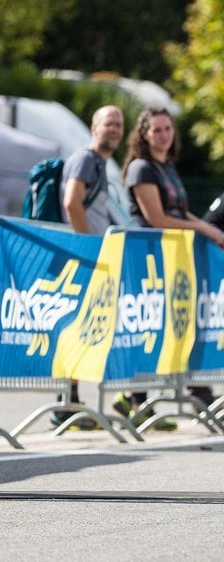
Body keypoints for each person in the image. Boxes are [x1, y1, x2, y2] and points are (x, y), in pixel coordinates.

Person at [120, 106, 224, 429]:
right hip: (148, 257)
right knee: (147, 326)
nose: (163, 135)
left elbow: (180, 213)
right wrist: (203, 230)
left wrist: (209, 229)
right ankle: (136, 399)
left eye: (167, 129)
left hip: (173, 257)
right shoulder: (141, 168)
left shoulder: (166, 166)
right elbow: (157, 219)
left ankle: (194, 389)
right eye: (156, 130)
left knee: (177, 324)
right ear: (144, 134)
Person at [52, 104, 125, 429]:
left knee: (82, 330)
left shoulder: (100, 164)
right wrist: (89, 248)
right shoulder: (85, 159)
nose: (114, 129)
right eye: (108, 123)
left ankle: (71, 401)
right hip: (84, 258)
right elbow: (71, 202)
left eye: (119, 125)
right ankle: (65, 402)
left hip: (92, 257)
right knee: (76, 330)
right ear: (93, 127)